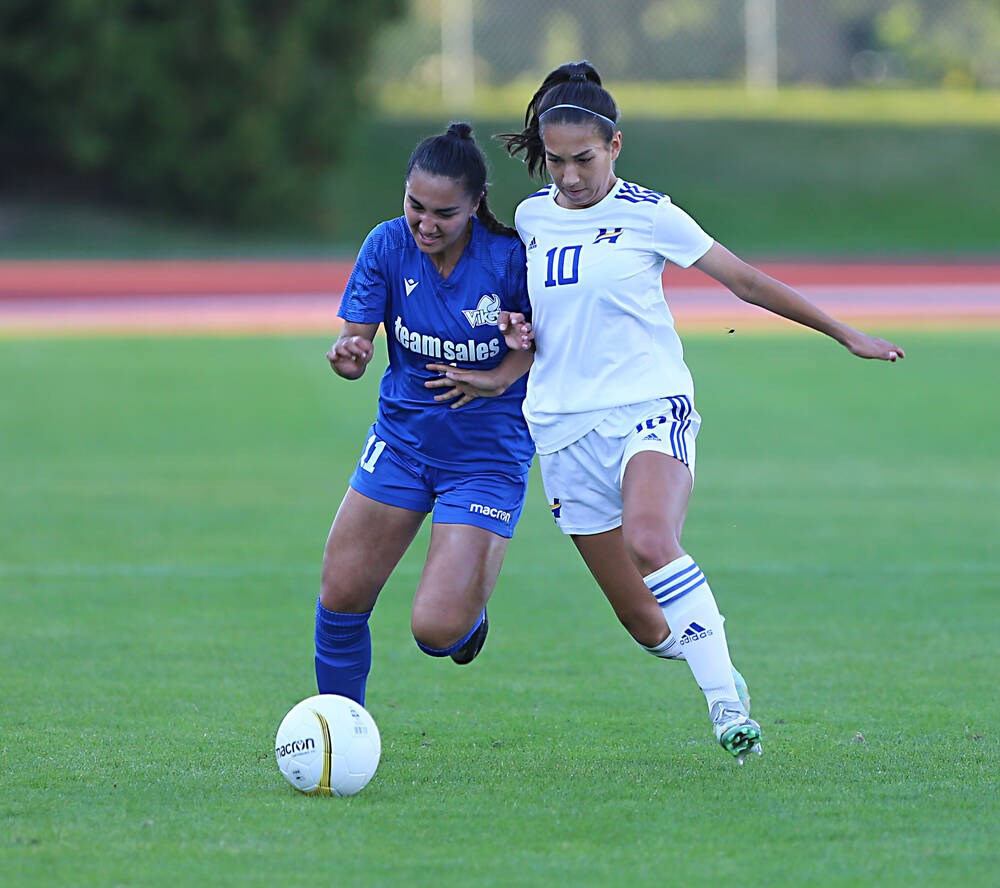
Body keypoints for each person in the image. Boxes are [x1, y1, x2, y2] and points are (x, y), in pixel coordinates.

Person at [462, 60, 904, 763]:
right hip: (561, 429)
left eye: (583, 159)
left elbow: (745, 281)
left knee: (649, 536)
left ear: (615, 147)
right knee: (644, 624)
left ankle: (725, 705)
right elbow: (545, 317)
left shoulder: (650, 214)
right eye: (555, 160)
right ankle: (710, 658)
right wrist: (520, 334)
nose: (569, 177)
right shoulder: (532, 217)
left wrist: (844, 332)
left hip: (647, 403)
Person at [315, 122, 534, 707]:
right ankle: (341, 732)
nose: (426, 224)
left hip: (485, 461)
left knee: (436, 631)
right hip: (402, 445)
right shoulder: (386, 246)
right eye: (416, 206)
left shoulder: (511, 260)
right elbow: (354, 348)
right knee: (340, 595)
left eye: (445, 213)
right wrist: (349, 354)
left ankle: (468, 613)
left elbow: (545, 347)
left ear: (476, 206)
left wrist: (496, 378)